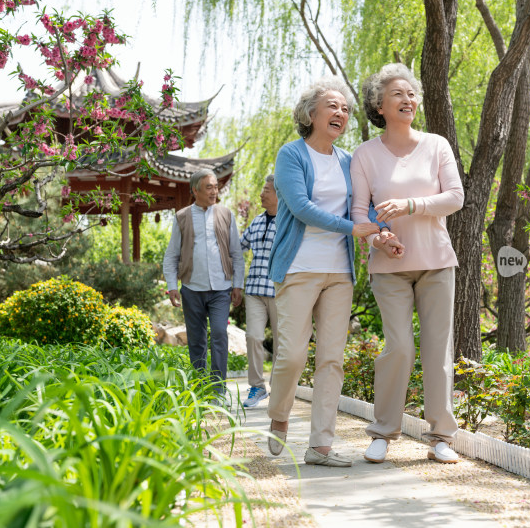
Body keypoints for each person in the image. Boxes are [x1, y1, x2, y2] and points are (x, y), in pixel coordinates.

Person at [351, 63, 465, 464]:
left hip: (436, 262)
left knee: (438, 351)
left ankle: (440, 437)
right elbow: (358, 214)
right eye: (398, 94)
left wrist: (411, 205)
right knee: (399, 347)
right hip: (388, 267)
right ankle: (384, 431)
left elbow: (455, 197)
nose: (408, 100)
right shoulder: (365, 155)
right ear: (379, 105)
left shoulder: (437, 145)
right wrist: (379, 238)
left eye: (412, 94)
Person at [267, 76, 381, 467]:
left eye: (346, 109)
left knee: (332, 358)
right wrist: (354, 228)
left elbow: (365, 210)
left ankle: (320, 446)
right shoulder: (291, 155)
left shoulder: (349, 161)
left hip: (339, 273)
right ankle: (279, 415)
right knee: (292, 355)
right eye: (333, 106)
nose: (341, 113)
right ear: (310, 113)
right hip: (298, 268)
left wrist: (385, 229)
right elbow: (299, 206)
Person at [162, 170, 244, 399]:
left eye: (216, 186)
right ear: (194, 191)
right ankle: (201, 387)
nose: (214, 191)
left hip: (221, 289)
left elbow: (237, 254)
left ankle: (218, 389)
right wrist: (172, 286)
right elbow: (171, 256)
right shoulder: (182, 217)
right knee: (196, 340)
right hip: (192, 289)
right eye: (208, 187)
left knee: (219, 333)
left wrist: (237, 285)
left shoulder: (226, 214)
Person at [239, 174, 279, 408]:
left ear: (279, 194)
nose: (262, 194)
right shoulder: (255, 222)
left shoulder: (288, 222)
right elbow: (237, 247)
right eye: (263, 189)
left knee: (282, 344)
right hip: (254, 289)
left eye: (267, 190)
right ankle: (257, 387)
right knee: (253, 336)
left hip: (280, 291)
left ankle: (279, 388)